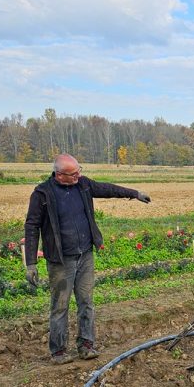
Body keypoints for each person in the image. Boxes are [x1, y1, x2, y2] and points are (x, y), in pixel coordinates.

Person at [24, 154, 151, 363]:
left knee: (86, 301)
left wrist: (135, 193)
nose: (78, 176)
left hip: (85, 255)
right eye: (72, 174)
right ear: (59, 175)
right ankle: (58, 351)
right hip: (61, 260)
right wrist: (31, 263)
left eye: (78, 171)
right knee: (60, 305)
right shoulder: (42, 193)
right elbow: (31, 227)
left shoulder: (83, 185)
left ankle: (86, 345)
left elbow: (108, 189)